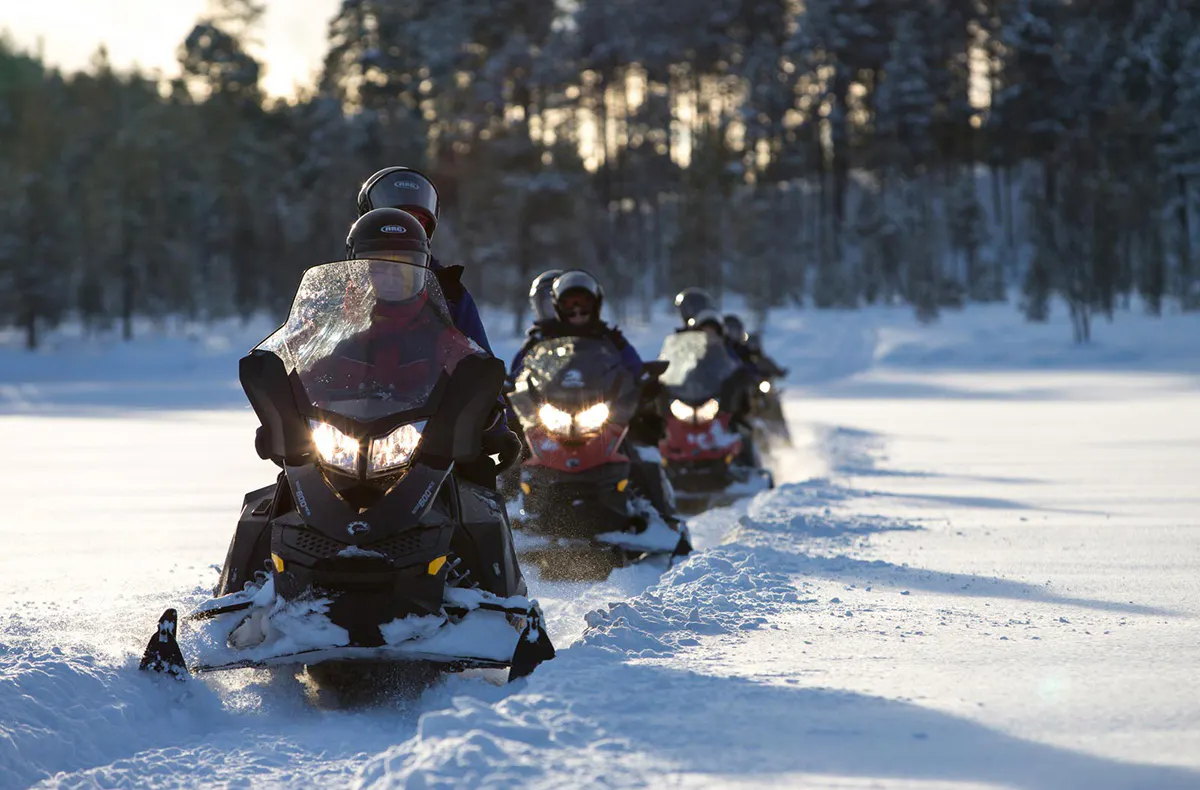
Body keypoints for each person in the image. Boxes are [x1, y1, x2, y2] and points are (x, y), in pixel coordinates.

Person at [356, 167, 494, 356]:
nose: (412, 225)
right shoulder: (352, 283)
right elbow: (319, 346)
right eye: (402, 217)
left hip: (431, 384)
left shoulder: (449, 290)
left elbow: (482, 367)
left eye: (419, 219)